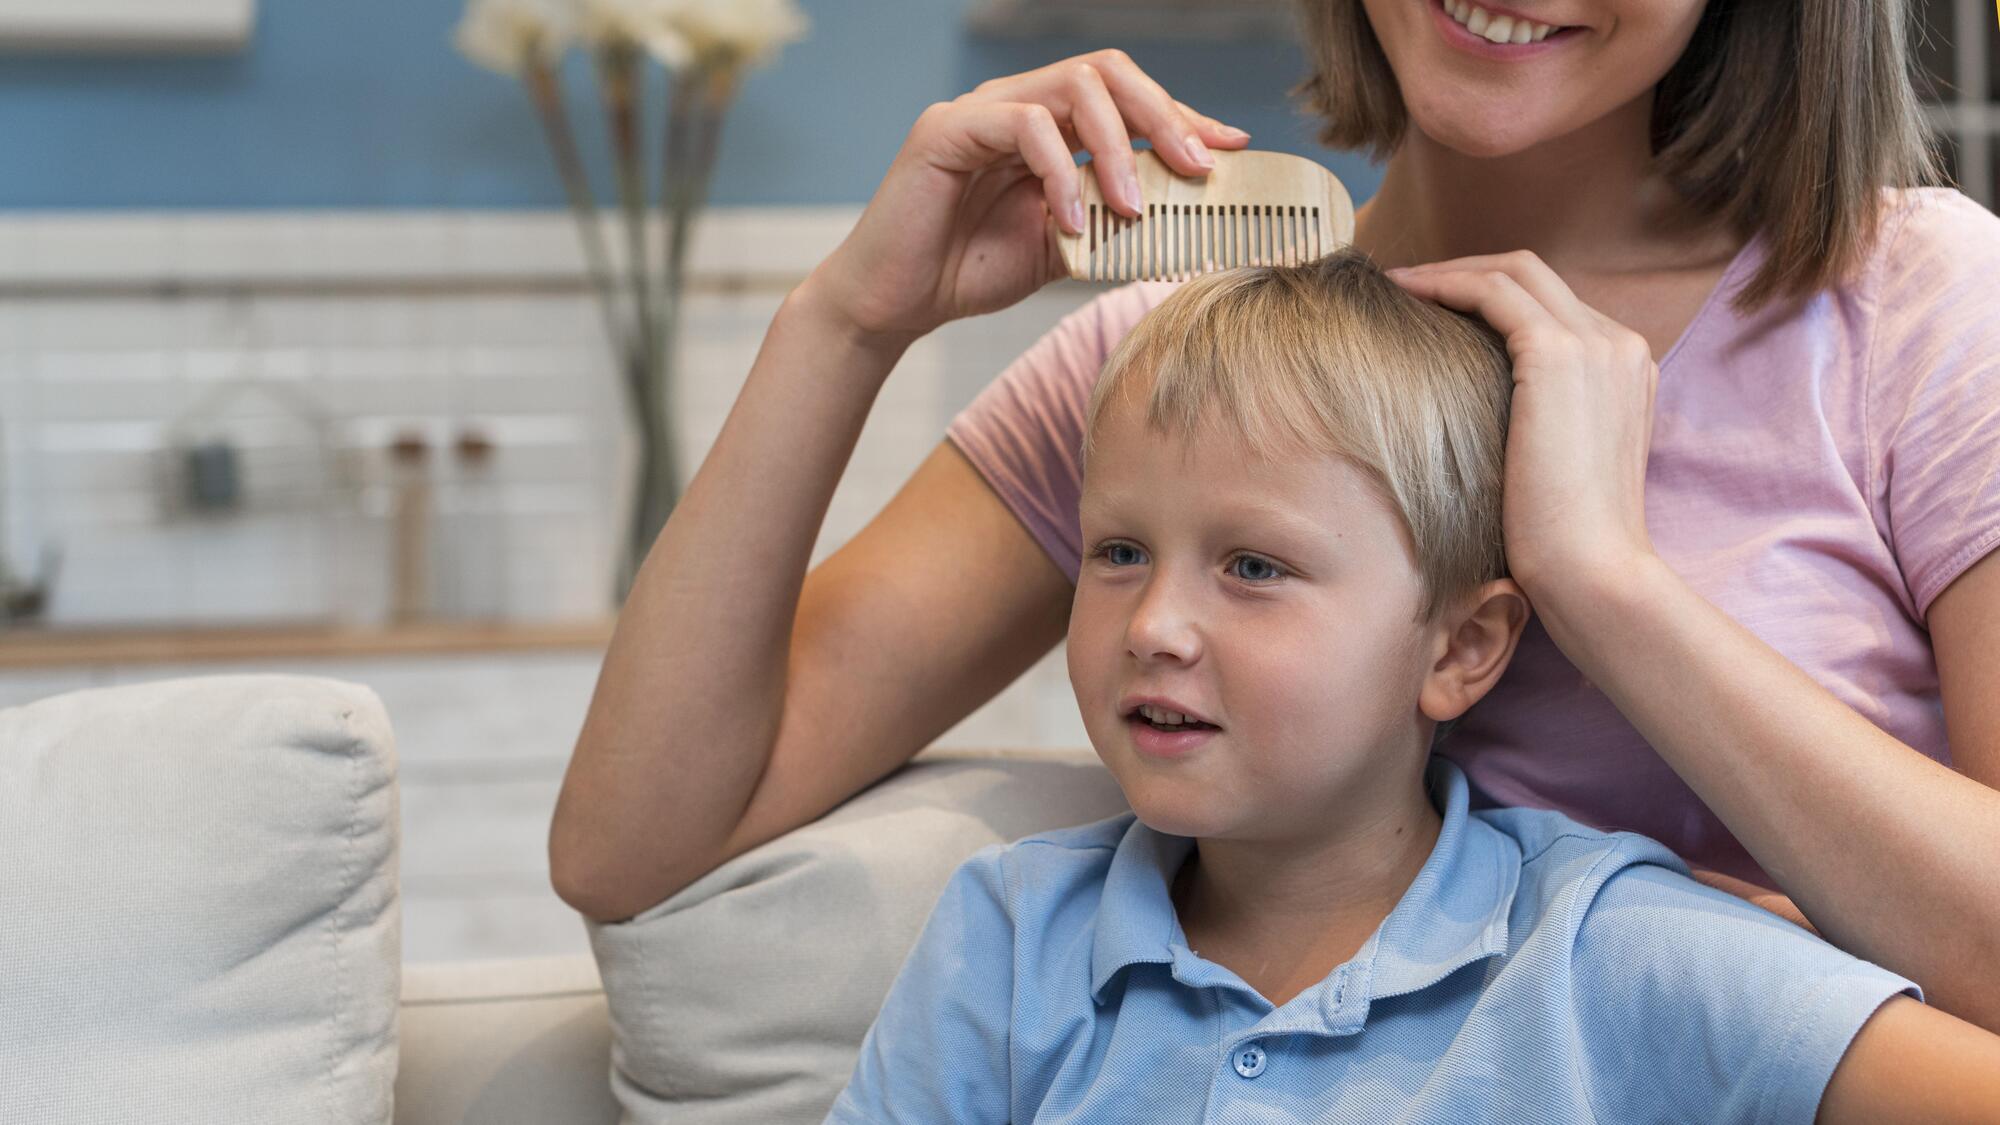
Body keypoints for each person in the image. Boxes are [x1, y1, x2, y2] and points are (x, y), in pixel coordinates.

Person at [550, 0, 2000, 1030]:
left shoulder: (1919, 305)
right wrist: (850, 318)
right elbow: (634, 844)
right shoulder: (1183, 364)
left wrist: (1601, 580)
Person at [823, 252, 2000, 1123]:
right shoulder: (1009, 939)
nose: (1155, 625)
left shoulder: (1611, 949)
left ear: (1459, 649)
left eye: (1252, 567)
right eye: (1118, 551)